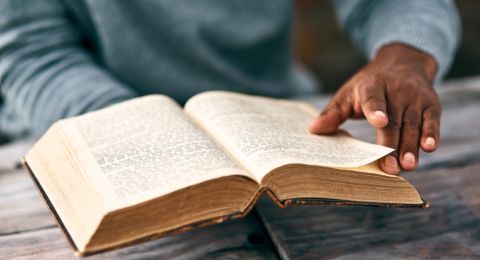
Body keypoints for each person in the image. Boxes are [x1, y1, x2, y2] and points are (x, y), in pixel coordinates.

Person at [0, 0, 460, 175]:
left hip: (269, 127)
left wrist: (405, 55)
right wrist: (144, 129)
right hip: (76, 131)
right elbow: (33, 56)